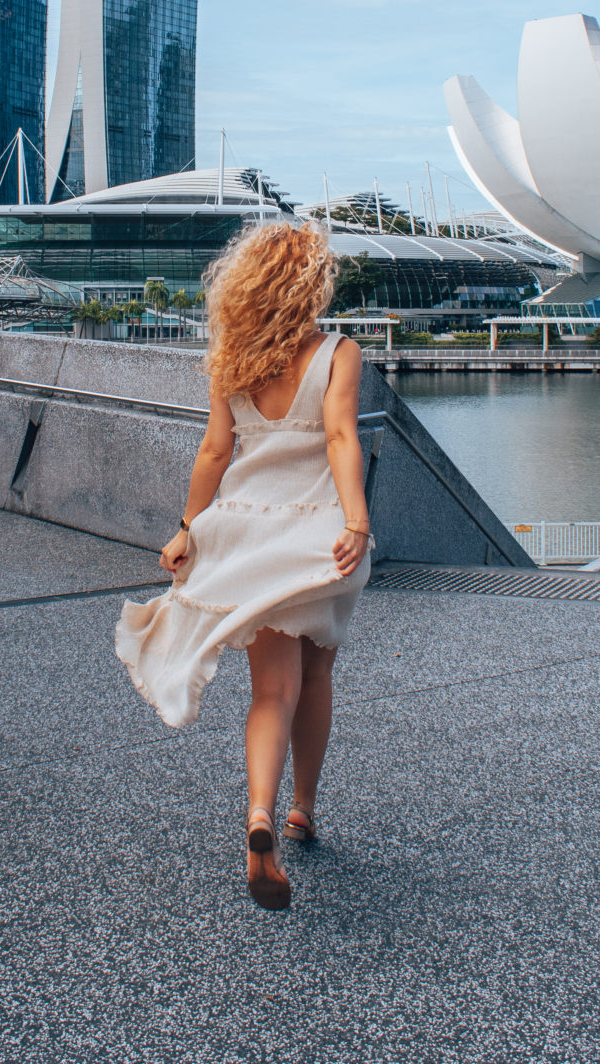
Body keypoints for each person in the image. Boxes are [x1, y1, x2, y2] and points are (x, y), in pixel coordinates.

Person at [114, 221, 373, 910]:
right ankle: (302, 811)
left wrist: (185, 529)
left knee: (270, 691)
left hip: (245, 536)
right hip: (316, 537)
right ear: (310, 284)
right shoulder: (337, 352)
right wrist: (357, 521)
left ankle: (258, 815)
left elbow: (213, 453)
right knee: (317, 670)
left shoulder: (232, 357)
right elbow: (343, 438)